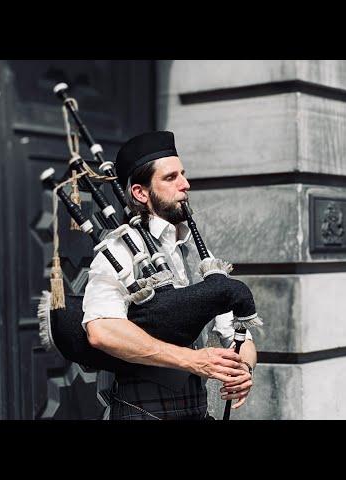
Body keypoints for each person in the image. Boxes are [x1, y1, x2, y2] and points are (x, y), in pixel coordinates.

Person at [82, 131, 257, 420]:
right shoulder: (120, 250)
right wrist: (193, 360)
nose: (185, 184)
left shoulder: (196, 252)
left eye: (183, 174)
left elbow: (237, 333)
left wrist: (244, 369)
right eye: (170, 177)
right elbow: (102, 331)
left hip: (197, 412)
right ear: (141, 193)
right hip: (141, 411)